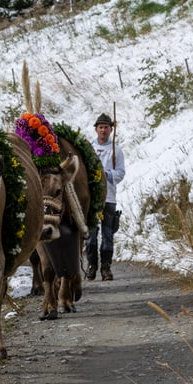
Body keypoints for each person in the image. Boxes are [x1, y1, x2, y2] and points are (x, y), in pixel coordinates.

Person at [85, 113, 125, 281]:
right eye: (100, 127)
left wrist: (106, 174)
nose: (103, 130)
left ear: (110, 129)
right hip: (92, 197)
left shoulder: (116, 151)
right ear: (96, 129)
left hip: (109, 197)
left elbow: (121, 173)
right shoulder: (88, 149)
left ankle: (106, 267)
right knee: (91, 235)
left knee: (108, 235)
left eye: (106, 127)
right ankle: (92, 265)